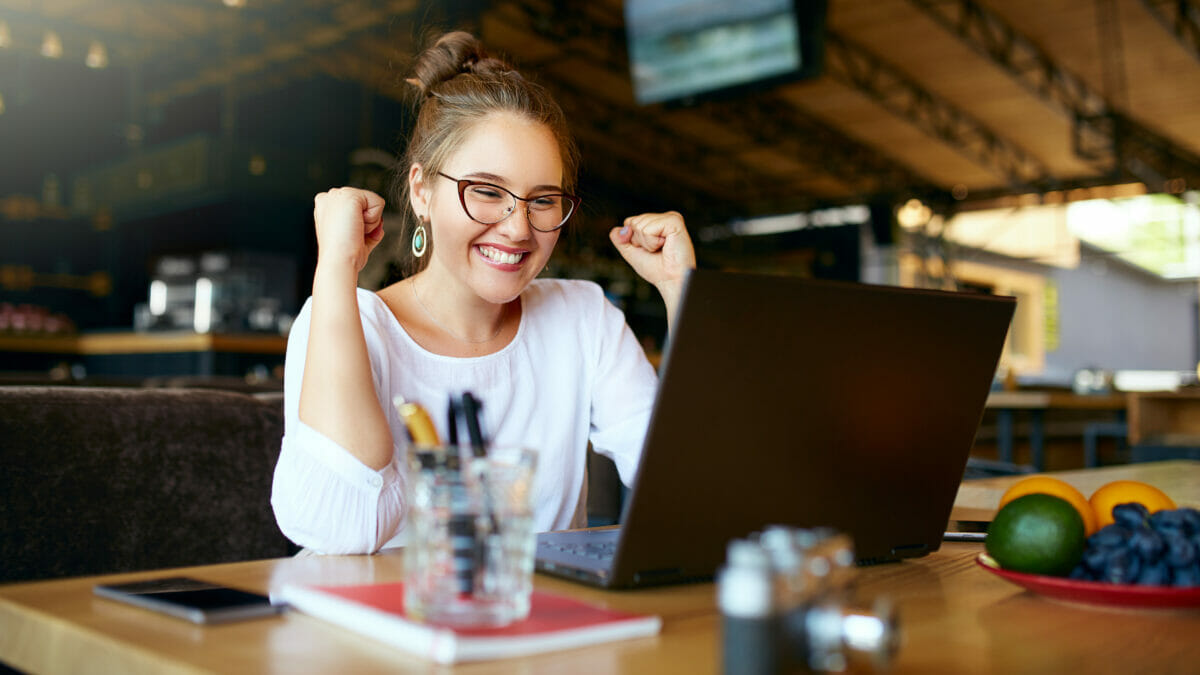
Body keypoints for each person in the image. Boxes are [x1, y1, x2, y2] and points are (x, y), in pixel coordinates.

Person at [271, 31, 696, 554]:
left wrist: (681, 290)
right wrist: (336, 266)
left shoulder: (583, 317)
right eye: (488, 192)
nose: (519, 228)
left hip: (543, 627)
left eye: (544, 200)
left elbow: (690, 488)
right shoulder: (347, 321)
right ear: (421, 190)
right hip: (377, 629)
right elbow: (343, 531)